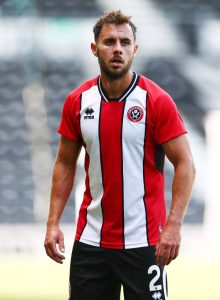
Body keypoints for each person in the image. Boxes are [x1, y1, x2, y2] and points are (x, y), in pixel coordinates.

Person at [44, 9, 195, 300]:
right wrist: (52, 223)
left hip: (145, 243)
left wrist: (174, 227)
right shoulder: (78, 101)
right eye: (109, 42)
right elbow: (64, 163)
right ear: (94, 48)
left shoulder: (156, 101)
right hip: (91, 241)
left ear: (134, 50)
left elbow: (186, 164)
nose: (118, 49)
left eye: (125, 43)